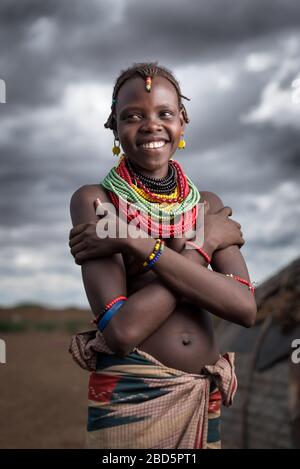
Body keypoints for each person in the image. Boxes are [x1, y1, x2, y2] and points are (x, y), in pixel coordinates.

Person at [68, 62, 257, 449]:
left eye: (164, 114)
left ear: (182, 122)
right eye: (133, 116)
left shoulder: (207, 204)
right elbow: (121, 331)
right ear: (115, 128)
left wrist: (134, 241)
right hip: (131, 394)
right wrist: (202, 248)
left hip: (203, 395)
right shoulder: (97, 202)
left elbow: (244, 308)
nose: (151, 125)